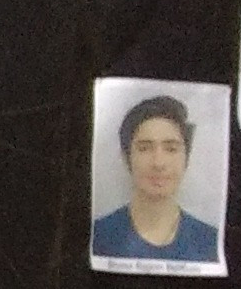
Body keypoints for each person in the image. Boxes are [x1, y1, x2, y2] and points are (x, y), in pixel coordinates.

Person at [89, 91, 216, 266]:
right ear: (126, 157)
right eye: (144, 148)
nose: (158, 163)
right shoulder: (97, 237)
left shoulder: (211, 242)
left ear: (186, 157)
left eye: (171, 149)